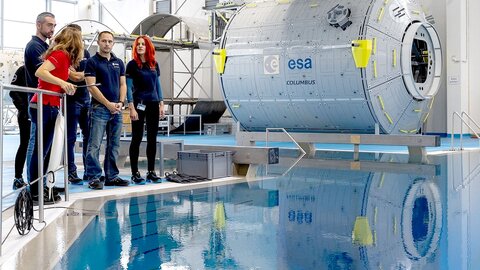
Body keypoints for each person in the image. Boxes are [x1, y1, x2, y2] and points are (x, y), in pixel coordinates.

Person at [26, 27, 83, 204]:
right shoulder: (60, 55)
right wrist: (62, 83)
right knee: (40, 150)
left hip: (50, 104)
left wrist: (66, 85)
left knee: (46, 150)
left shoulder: (63, 57)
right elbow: (40, 72)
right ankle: (35, 191)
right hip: (43, 104)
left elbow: (52, 78)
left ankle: (40, 186)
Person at [84, 31, 130, 190]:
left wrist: (120, 102)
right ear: (98, 42)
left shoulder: (119, 62)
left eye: (110, 41)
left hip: (116, 109)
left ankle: (112, 176)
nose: (107, 44)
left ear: (113, 43)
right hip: (99, 108)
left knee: (114, 145)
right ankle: (94, 177)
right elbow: (91, 86)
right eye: (104, 41)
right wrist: (107, 104)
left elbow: (123, 84)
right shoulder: (92, 62)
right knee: (94, 144)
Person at [126, 35, 165, 184]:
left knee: (152, 139)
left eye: (143, 44)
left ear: (148, 47)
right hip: (138, 104)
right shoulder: (132, 65)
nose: (140, 46)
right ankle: (135, 173)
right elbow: (129, 88)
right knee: (136, 138)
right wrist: (131, 107)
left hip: (153, 104)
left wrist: (162, 104)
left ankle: (151, 171)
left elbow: (158, 85)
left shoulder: (154, 64)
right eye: (138, 44)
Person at [64, 24, 91, 185]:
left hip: (85, 99)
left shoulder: (86, 53)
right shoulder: (64, 54)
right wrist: (78, 75)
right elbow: (73, 77)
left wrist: (77, 75)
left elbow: (86, 76)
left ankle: (89, 170)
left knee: (89, 135)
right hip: (70, 100)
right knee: (71, 138)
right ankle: (71, 171)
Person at [9, 65, 29, 189]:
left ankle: (41, 179)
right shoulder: (23, 70)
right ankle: (18, 177)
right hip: (26, 114)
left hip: (40, 112)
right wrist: (24, 108)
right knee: (25, 144)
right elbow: (13, 91)